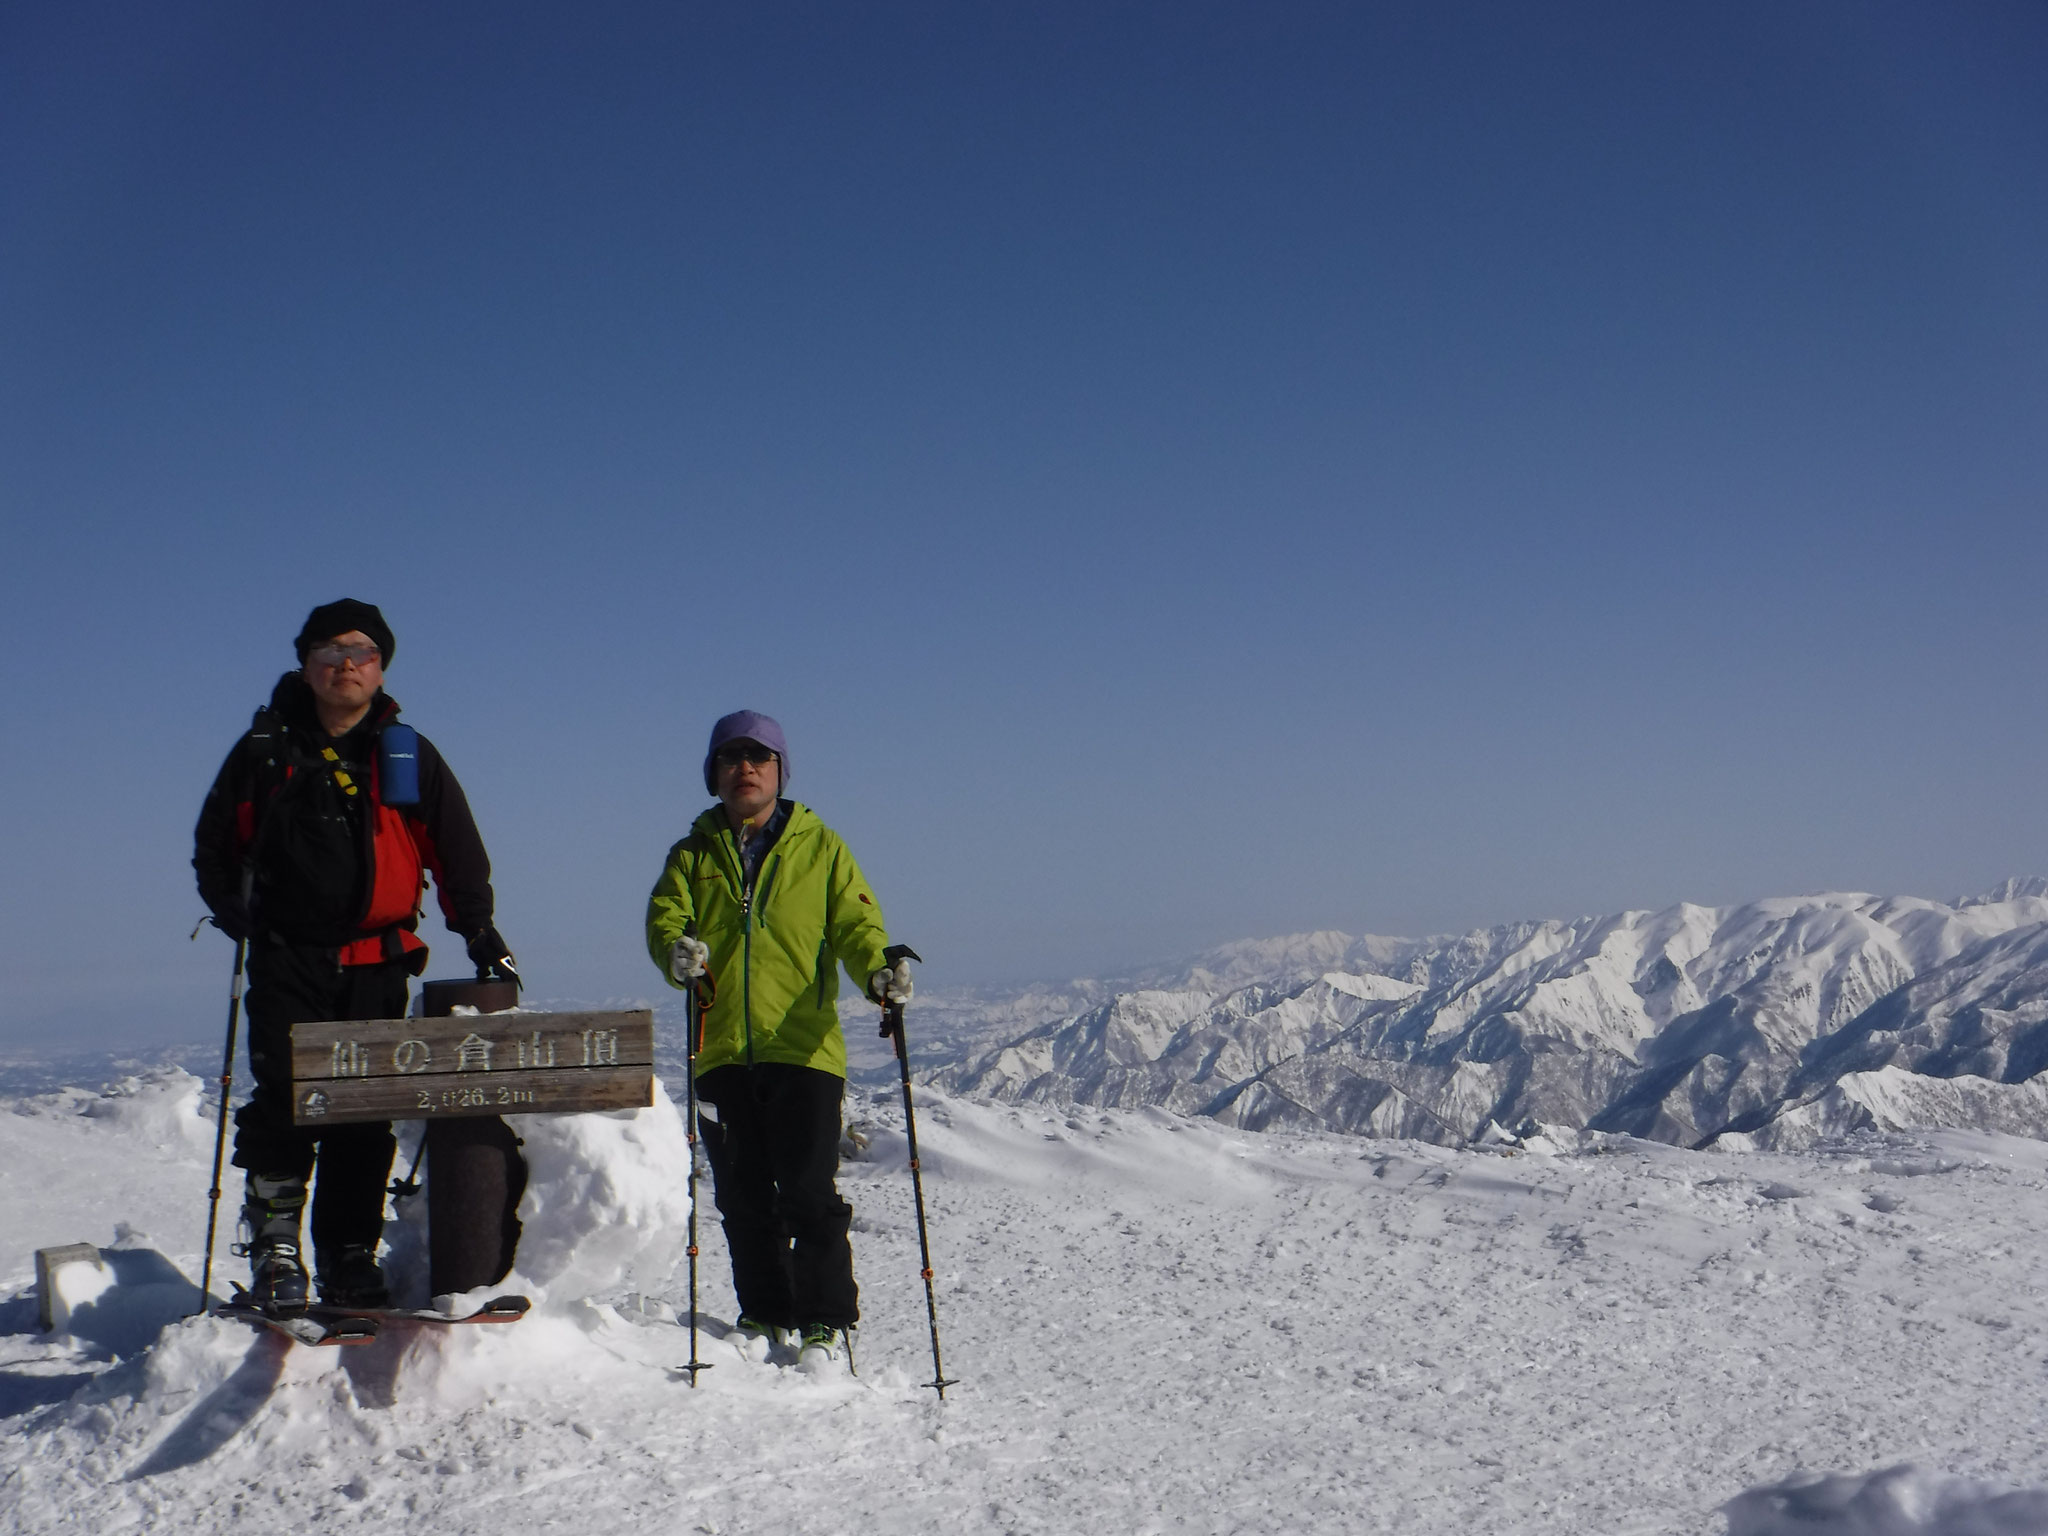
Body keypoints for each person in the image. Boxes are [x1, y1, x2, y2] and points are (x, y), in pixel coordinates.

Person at [194, 599, 516, 1313]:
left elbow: (453, 847)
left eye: (361, 651)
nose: (346, 663)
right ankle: (278, 1245)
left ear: (381, 667)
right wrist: (234, 911)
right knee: (285, 1098)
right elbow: (215, 843)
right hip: (288, 957)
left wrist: (478, 927)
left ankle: (348, 1251)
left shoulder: (405, 754)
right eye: (329, 651)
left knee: (364, 1112)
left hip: (380, 960)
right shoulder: (263, 752)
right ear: (305, 667)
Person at [645, 710, 912, 1372]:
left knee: (809, 1192)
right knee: (742, 1197)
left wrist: (878, 969)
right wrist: (677, 951)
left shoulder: (821, 849)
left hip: (804, 1048)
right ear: (714, 775)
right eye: (731, 758)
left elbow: (855, 926)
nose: (745, 768)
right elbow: (665, 920)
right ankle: (765, 1313)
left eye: (759, 757)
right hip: (722, 1048)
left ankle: (823, 1323)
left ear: (780, 771)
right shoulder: (690, 854)